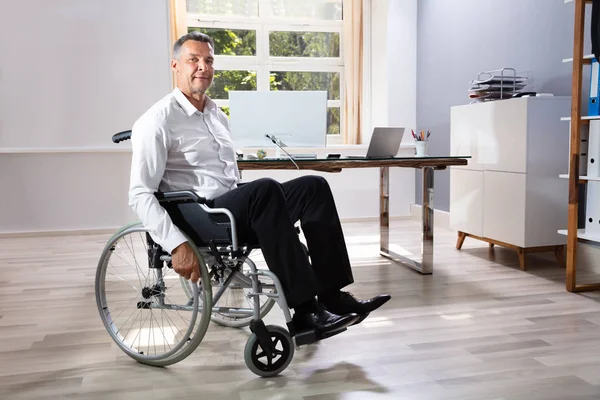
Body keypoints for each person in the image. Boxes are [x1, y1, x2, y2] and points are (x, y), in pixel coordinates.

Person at [129, 31, 390, 336]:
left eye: (209, 60)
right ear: (175, 66)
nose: (203, 66)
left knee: (313, 186)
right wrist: (175, 243)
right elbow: (139, 194)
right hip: (201, 215)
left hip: (231, 205)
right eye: (193, 60)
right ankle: (306, 312)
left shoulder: (217, 116)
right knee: (265, 190)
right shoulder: (157, 120)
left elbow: (229, 176)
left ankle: (332, 295)